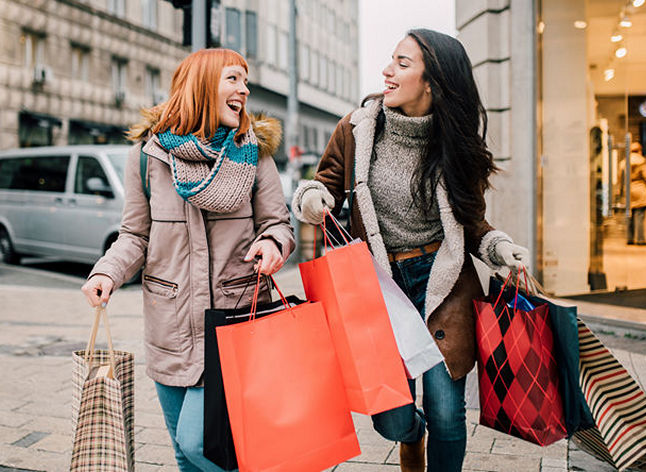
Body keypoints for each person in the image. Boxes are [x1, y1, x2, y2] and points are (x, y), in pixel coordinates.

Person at [292, 29, 529, 472]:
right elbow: (322, 183)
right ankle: (410, 435)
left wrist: (500, 248)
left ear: (432, 82)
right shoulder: (357, 129)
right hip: (379, 285)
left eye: (403, 63)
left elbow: (472, 222)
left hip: (444, 282)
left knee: (447, 412)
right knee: (391, 415)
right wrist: (311, 199)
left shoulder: (455, 144)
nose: (387, 71)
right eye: (391, 60)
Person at [80, 48, 294, 472]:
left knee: (198, 443)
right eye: (234, 79)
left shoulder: (255, 153)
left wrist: (272, 244)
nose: (245, 90)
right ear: (202, 84)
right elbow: (134, 234)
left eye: (245, 81)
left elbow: (278, 224)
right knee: (183, 452)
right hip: (170, 325)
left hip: (234, 323)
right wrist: (107, 271)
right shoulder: (148, 156)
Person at [620, 142, 646, 244]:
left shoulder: (623, 162)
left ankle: (629, 238)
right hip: (639, 187)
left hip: (628, 189)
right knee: (639, 215)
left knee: (629, 215)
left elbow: (620, 178)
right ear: (639, 150)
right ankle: (640, 239)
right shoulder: (642, 161)